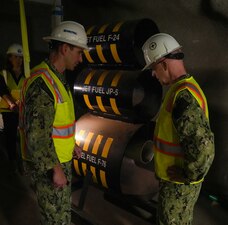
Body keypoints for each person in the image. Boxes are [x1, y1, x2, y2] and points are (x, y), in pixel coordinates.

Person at [19, 21, 88, 225]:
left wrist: (71, 145)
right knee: (55, 219)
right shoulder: (43, 84)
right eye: (79, 52)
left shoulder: (56, 79)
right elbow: (37, 136)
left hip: (60, 160)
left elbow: (57, 123)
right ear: (65, 48)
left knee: (62, 215)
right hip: (50, 167)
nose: (81, 58)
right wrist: (54, 168)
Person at [142, 33, 215, 225]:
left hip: (179, 186)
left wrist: (188, 174)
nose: (153, 74)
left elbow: (205, 149)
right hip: (176, 183)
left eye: (153, 67)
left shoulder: (183, 97)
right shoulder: (182, 89)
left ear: (164, 64)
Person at [0, 44, 25, 166]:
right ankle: (12, 162)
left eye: (21, 57)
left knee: (24, 137)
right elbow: (2, 90)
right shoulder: (4, 74)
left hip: (22, 110)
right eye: (16, 57)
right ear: (10, 58)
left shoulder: (27, 73)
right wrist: (12, 104)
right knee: (10, 137)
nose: (19, 60)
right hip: (9, 111)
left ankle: (23, 160)